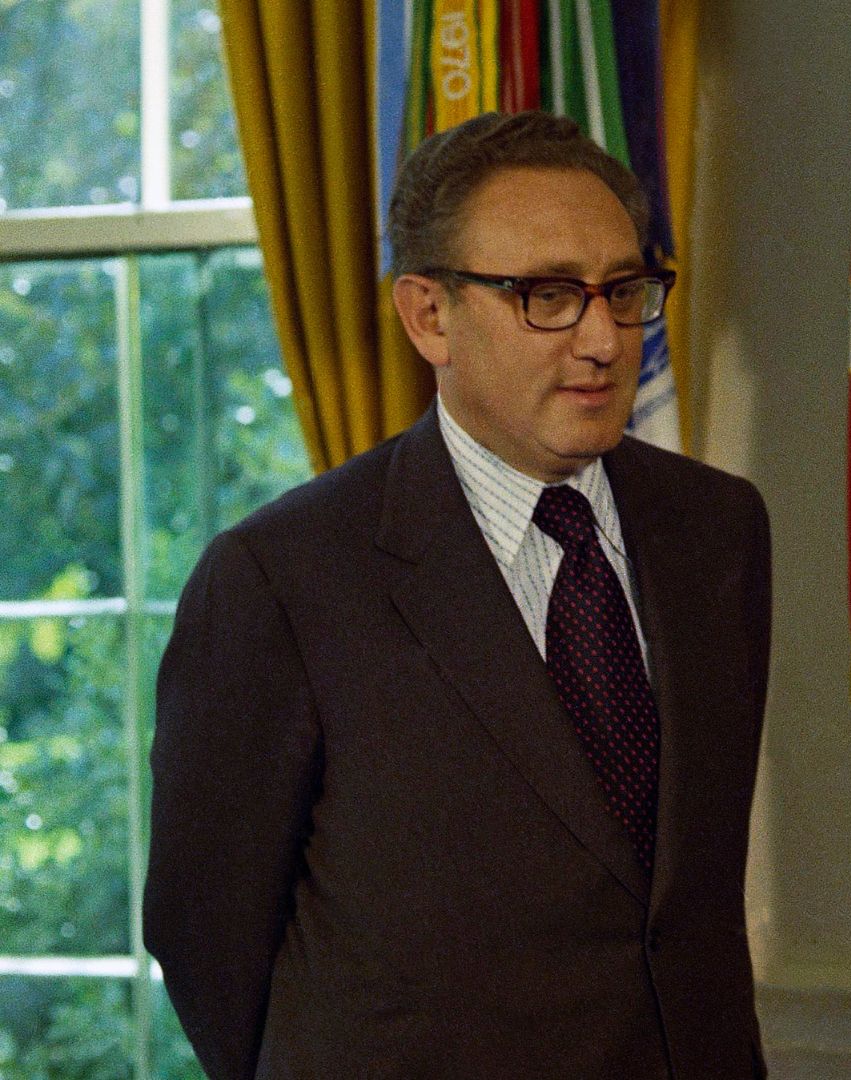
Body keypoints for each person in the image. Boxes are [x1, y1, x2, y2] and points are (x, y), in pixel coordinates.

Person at [146, 111, 771, 1080]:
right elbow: (206, 938)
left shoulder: (721, 533)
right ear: (428, 315)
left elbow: (679, 907)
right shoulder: (277, 581)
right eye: (549, 297)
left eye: (624, 289)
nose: (605, 339)